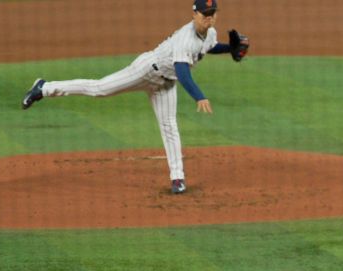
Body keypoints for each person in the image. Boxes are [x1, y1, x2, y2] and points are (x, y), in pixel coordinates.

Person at [20, 0, 249, 194]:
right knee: (99, 89)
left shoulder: (210, 33)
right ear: (194, 14)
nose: (209, 19)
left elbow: (207, 48)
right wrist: (199, 96)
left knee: (169, 126)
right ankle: (44, 87)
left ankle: (177, 178)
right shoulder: (185, 38)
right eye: (204, 15)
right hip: (146, 70)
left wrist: (230, 49)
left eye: (212, 14)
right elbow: (182, 71)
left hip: (166, 84)